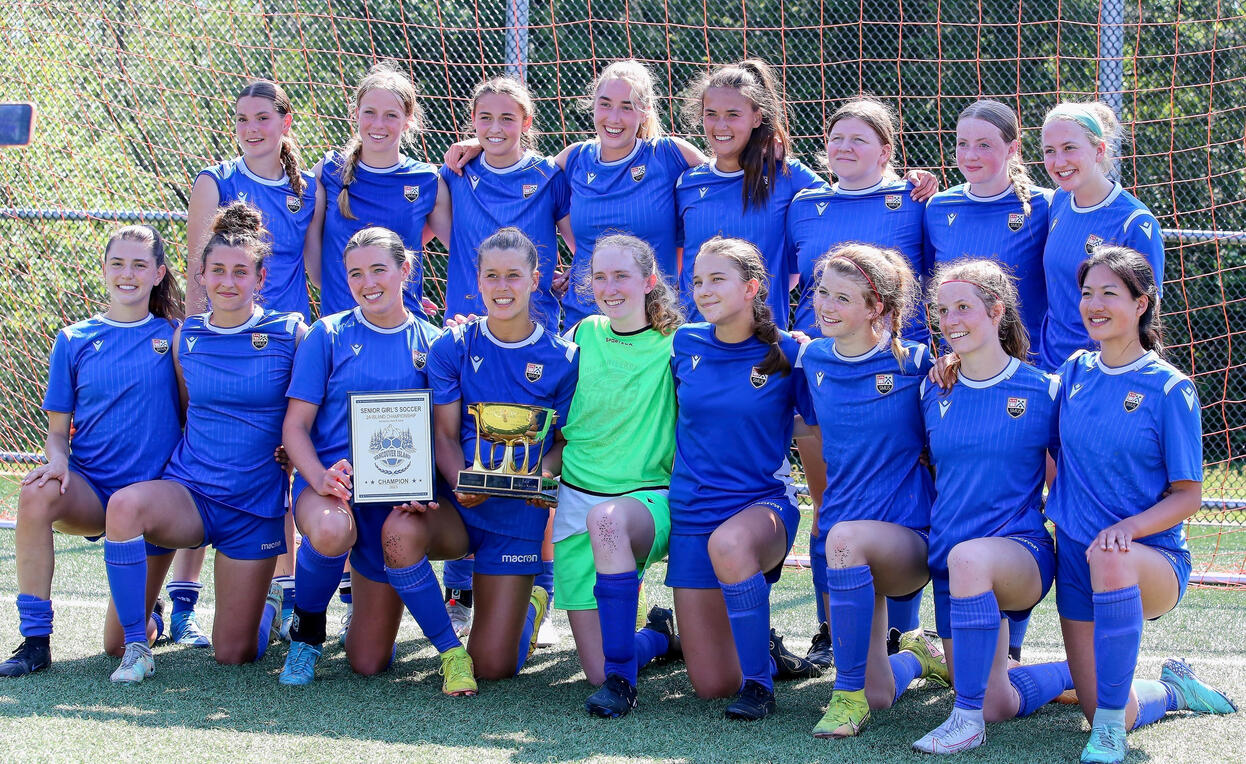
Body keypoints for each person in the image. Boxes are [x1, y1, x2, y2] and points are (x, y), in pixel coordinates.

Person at [1047, 247, 1236, 763]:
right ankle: (1174, 690)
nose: (1095, 304)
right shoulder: (1074, 372)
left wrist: (1126, 529)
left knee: (1110, 555)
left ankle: (1109, 735)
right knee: (1105, 705)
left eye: (1111, 293)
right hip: (1076, 559)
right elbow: (1043, 451)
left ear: (1142, 303)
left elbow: (1189, 495)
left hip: (1147, 562)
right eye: (1088, 293)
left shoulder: (1169, 388)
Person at [102, 203, 304, 683]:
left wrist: (292, 453)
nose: (228, 282)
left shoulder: (291, 332)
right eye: (217, 271)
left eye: (240, 272)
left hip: (254, 506)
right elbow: (182, 409)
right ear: (201, 276)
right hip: (191, 493)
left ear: (260, 277)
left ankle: (269, 608)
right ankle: (137, 645)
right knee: (126, 508)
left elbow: (309, 415)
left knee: (233, 654)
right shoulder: (185, 337)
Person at [380, 227, 578, 688]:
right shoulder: (452, 347)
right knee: (398, 532)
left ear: (535, 279)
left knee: (495, 667)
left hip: (518, 517)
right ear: (479, 280)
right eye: (492, 275)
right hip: (459, 506)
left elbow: (564, 444)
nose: (502, 286)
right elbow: (444, 435)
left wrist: (541, 478)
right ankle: (451, 652)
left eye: (513, 275)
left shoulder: (565, 358)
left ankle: (532, 602)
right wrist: (459, 480)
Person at [783, 97, 933, 659]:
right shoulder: (802, 202)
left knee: (902, 490)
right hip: (822, 374)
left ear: (887, 151)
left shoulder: (918, 202)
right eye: (835, 138)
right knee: (831, 505)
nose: (844, 148)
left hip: (893, 374)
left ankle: (901, 631)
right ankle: (831, 629)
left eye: (859, 140)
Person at [0, 226, 182, 677]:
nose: (128, 273)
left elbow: (193, 415)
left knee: (118, 645)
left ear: (158, 273)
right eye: (118, 263)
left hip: (149, 504)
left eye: (140, 264)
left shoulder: (175, 336)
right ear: (103, 270)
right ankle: (35, 641)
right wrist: (56, 461)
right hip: (92, 492)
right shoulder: (74, 339)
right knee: (36, 492)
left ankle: (152, 613)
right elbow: (58, 433)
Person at [180, 78, 321, 646]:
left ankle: (286, 592)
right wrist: (195, 348)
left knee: (282, 460)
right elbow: (199, 274)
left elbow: (315, 268)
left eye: (263, 118)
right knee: (201, 459)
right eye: (241, 119)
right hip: (222, 344)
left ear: (286, 122)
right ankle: (183, 604)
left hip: (284, 347)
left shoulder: (306, 189)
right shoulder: (216, 182)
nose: (251, 129)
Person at [912, 258, 1073, 754]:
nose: (951, 319)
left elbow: (1069, 479)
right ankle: (1094, 672)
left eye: (964, 307)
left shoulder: (1043, 390)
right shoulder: (932, 389)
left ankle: (964, 723)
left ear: (996, 310)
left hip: (1018, 552)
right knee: (997, 701)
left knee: (970, 558)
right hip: (950, 562)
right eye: (942, 309)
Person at [277, 227, 442, 685]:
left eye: (378, 270)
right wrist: (319, 477)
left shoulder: (434, 342)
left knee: (368, 662)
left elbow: (443, 434)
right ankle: (306, 634)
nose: (368, 282)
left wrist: (422, 491)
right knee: (330, 529)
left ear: (405, 271)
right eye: (355, 274)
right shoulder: (326, 335)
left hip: (393, 504)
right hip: (332, 493)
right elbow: (294, 428)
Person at [795, 244, 944, 739]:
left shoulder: (918, 364)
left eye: (842, 297)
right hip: (841, 539)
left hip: (906, 537)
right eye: (822, 292)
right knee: (882, 692)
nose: (826, 305)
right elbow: (810, 433)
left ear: (876, 307)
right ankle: (918, 657)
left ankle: (845, 698)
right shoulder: (812, 358)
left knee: (846, 539)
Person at [923, 99, 1052, 660]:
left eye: (985, 144)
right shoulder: (936, 206)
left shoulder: (1044, 207)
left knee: (1023, 492)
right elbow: (933, 288)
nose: (971, 155)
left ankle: (1015, 640)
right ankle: (923, 644)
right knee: (956, 485)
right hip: (957, 373)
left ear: (1013, 149)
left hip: (1024, 371)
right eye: (961, 144)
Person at [666, 236, 814, 720]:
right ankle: (665, 637)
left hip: (760, 509)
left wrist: (828, 505)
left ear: (752, 287)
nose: (703, 290)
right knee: (711, 685)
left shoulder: (790, 352)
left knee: (730, 547)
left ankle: (759, 685)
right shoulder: (683, 343)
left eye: (717, 279)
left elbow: (813, 433)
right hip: (692, 515)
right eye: (697, 281)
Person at [444, 59, 706, 327]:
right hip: (585, 321)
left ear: (645, 112)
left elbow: (724, 173)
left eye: (626, 107)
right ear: (593, 106)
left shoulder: (669, 154)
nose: (613, 117)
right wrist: (485, 141)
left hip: (653, 320)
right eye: (605, 104)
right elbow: (519, 168)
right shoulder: (574, 159)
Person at [553, 234, 683, 717]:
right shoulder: (584, 332)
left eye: (622, 276)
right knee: (597, 666)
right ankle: (657, 637)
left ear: (649, 281)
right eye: (600, 276)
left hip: (643, 498)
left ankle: (625, 680)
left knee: (607, 521)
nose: (610, 287)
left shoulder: (677, 344)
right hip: (576, 495)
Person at [675, 60, 822, 325]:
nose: (721, 125)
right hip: (695, 341)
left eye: (733, 114)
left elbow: (847, 196)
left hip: (763, 341)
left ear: (756, 117)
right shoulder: (687, 183)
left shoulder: (786, 175)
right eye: (711, 114)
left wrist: (903, 181)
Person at [314, 61, 450, 318]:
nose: (378, 124)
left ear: (408, 121)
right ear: (356, 113)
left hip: (403, 328)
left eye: (391, 115)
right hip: (340, 325)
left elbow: (464, 248)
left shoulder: (427, 180)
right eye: (369, 112)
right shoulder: (329, 170)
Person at [1038, 101, 1163, 371]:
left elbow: (1146, 316)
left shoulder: (1134, 222)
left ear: (1099, 150)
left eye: (1070, 148)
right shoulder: (1059, 201)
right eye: (1050, 151)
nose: (1059, 162)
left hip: (1099, 373)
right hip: (1049, 367)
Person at [438, 75, 573, 326]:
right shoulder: (455, 172)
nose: (495, 128)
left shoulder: (548, 175)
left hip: (534, 325)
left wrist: (572, 274)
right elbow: (434, 234)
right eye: (486, 118)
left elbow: (582, 247)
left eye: (507, 118)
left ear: (526, 122)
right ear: (473, 120)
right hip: (465, 321)